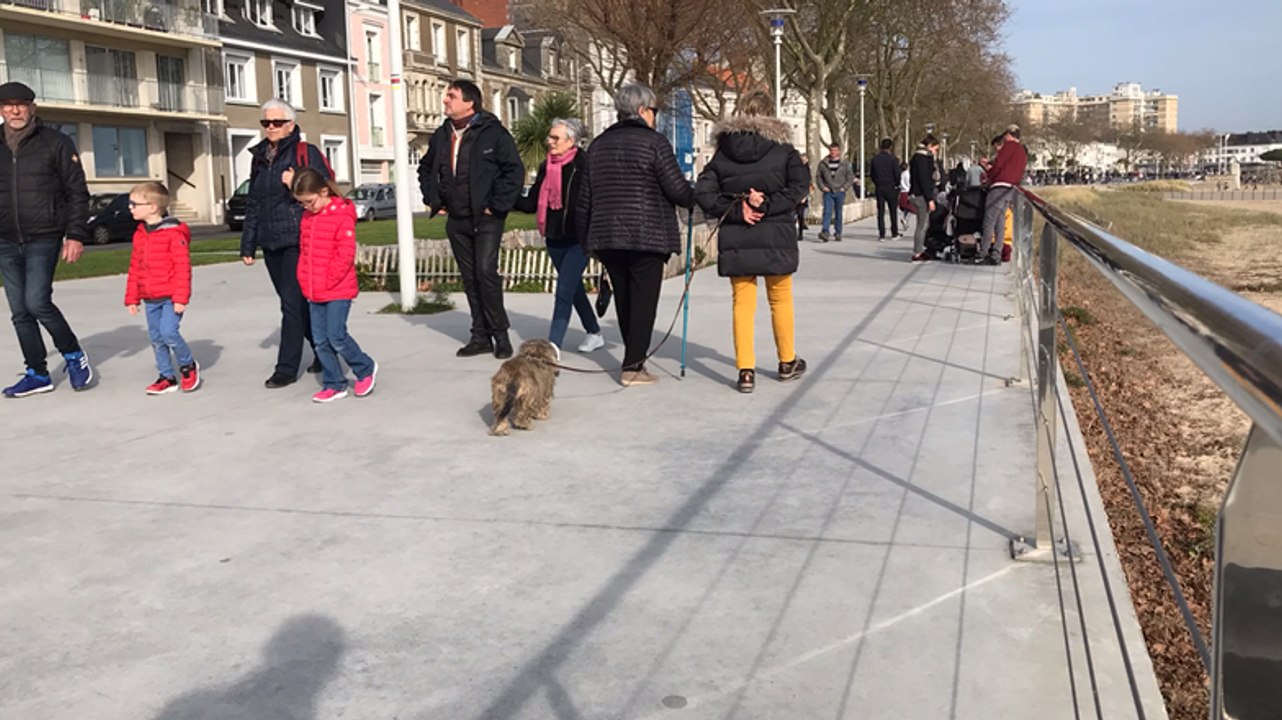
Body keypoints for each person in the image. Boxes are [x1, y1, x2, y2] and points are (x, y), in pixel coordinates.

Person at [576, 83, 695, 386]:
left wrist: (586, 238)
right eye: (654, 110)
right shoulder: (654, 143)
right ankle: (633, 365)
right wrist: (700, 197)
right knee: (644, 300)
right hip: (647, 233)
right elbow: (677, 189)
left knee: (626, 297)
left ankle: (633, 359)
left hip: (607, 234)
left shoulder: (598, 145)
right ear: (642, 110)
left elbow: (584, 199)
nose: (655, 116)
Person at [695, 91, 809, 394]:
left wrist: (736, 205)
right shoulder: (784, 150)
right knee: (780, 298)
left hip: (738, 235)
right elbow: (799, 186)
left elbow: (704, 193)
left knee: (742, 302)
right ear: (771, 114)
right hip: (776, 234)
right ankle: (787, 361)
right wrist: (767, 205)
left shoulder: (723, 151)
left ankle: (745, 370)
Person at [418, 79, 524, 360]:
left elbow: (513, 172)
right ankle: (480, 336)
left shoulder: (494, 134)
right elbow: (426, 167)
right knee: (469, 278)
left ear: (469, 102)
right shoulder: (442, 134)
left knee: (485, 273)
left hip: (486, 218)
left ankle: (500, 335)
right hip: (457, 219)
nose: (445, 101)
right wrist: (433, 198)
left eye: (451, 96)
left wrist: (495, 206)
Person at [0, 81, 94, 398]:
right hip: (5, 240)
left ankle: (72, 355)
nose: (15, 110)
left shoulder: (56, 142)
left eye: (21, 104)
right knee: (19, 310)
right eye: (8, 104)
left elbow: (77, 193)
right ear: (1, 109)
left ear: (32, 108)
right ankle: (37, 373)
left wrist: (76, 234)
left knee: (37, 302)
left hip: (44, 235)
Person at [240, 99, 328, 389]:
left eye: (277, 122)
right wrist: (248, 243)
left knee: (290, 305)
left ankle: (286, 368)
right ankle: (324, 349)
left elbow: (323, 189)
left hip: (297, 238)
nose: (271, 128)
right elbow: (254, 202)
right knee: (296, 305)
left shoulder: (305, 152)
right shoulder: (259, 157)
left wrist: (295, 181)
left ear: (291, 124)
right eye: (266, 123)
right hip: (270, 239)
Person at [513, 118, 603, 356]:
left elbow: (595, 202)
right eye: (549, 137)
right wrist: (505, 199)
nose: (549, 142)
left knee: (563, 291)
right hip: (554, 238)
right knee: (573, 289)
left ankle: (553, 346)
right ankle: (594, 332)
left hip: (579, 239)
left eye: (555, 138)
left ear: (571, 141)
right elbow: (532, 202)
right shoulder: (546, 166)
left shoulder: (585, 165)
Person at [291, 168, 378, 403]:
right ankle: (334, 382)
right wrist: (303, 276)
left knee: (336, 335)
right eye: (302, 204)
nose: (307, 207)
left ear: (323, 191)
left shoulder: (341, 215)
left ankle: (365, 368)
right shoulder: (308, 218)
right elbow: (305, 250)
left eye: (310, 201)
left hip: (337, 288)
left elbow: (345, 253)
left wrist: (328, 279)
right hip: (313, 288)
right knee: (320, 340)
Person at [124, 182, 200, 395]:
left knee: (169, 332)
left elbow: (182, 267)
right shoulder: (140, 234)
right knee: (156, 338)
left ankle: (187, 365)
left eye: (134, 203)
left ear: (152, 207)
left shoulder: (173, 233)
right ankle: (166, 376)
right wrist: (132, 298)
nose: (130, 207)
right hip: (150, 298)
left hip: (170, 297)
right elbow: (135, 267)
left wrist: (180, 298)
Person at [980, 124, 1028, 265]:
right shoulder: (1022, 151)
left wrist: (988, 174)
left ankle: (983, 252)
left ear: (1008, 134)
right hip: (1011, 188)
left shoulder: (1009, 146)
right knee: (1000, 221)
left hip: (999, 186)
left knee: (989, 220)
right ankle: (997, 252)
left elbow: (999, 165)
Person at [909, 135, 941, 263]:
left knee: (923, 224)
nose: (935, 152)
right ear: (929, 146)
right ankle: (917, 253)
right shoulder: (922, 159)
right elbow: (924, 180)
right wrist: (930, 199)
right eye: (935, 149)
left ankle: (919, 250)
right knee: (922, 225)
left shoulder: (918, 157)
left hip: (917, 194)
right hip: (921, 195)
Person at [816, 143, 854, 242]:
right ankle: (825, 232)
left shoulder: (845, 163)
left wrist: (844, 188)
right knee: (827, 212)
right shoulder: (823, 163)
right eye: (832, 150)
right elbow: (818, 176)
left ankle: (838, 232)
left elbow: (850, 177)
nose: (833, 152)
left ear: (839, 151)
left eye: (835, 150)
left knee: (838, 212)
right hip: (828, 190)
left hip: (839, 191)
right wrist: (822, 187)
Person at [870, 138, 901, 241]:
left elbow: (872, 174)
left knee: (881, 212)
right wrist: (897, 184)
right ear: (891, 147)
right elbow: (897, 174)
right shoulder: (894, 159)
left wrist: (877, 182)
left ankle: (882, 234)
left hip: (880, 187)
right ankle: (894, 233)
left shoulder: (875, 159)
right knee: (893, 211)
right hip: (891, 186)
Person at [795, 153, 811, 240]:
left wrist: (805, 196)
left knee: (800, 214)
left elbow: (807, 184)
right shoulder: (795, 169)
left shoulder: (807, 170)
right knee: (793, 214)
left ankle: (800, 233)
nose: (803, 161)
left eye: (805, 159)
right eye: (802, 159)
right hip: (795, 194)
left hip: (802, 194)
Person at [898, 162, 912, 230]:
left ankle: (905, 220)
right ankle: (905, 219)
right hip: (907, 192)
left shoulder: (901, 174)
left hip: (902, 192)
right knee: (911, 208)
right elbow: (908, 183)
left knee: (906, 208)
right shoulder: (907, 174)